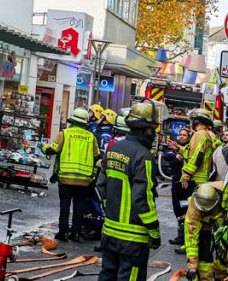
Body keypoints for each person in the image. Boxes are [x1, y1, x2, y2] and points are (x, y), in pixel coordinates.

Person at [96, 99, 161, 281]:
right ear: (146, 129)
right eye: (153, 129)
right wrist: (153, 228)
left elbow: (101, 186)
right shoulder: (144, 157)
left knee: (107, 275)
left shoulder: (113, 149)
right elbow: (142, 198)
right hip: (133, 238)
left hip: (110, 231)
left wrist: (112, 208)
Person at [43, 107, 100, 241]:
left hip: (65, 178)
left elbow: (53, 149)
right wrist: (92, 176)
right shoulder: (91, 137)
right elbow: (97, 157)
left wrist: (43, 147)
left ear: (72, 121)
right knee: (78, 206)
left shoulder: (65, 133)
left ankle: (62, 232)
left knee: (65, 204)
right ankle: (76, 233)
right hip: (83, 180)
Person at [184, 182, 227, 280]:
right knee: (204, 253)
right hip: (204, 224)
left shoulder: (224, 195)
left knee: (223, 255)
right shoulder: (195, 205)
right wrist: (192, 266)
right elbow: (191, 235)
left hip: (222, 222)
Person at [169, 127, 194, 246]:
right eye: (180, 135)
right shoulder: (175, 147)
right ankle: (180, 235)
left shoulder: (189, 148)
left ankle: (185, 237)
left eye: (184, 135)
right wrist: (174, 156)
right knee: (177, 210)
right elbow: (166, 156)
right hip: (176, 183)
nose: (182, 137)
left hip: (186, 184)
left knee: (185, 209)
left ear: (189, 137)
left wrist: (181, 155)